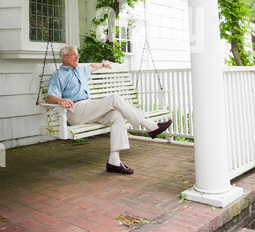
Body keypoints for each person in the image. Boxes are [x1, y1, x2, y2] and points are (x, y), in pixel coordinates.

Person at [46, 45, 172, 175]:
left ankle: (114, 162)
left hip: (89, 109)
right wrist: (60, 100)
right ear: (64, 57)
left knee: (117, 115)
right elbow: (49, 97)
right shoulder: (59, 75)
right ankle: (149, 125)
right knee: (114, 98)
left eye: (77, 54)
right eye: (73, 55)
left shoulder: (81, 70)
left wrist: (102, 64)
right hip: (76, 111)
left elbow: (92, 67)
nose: (77, 57)